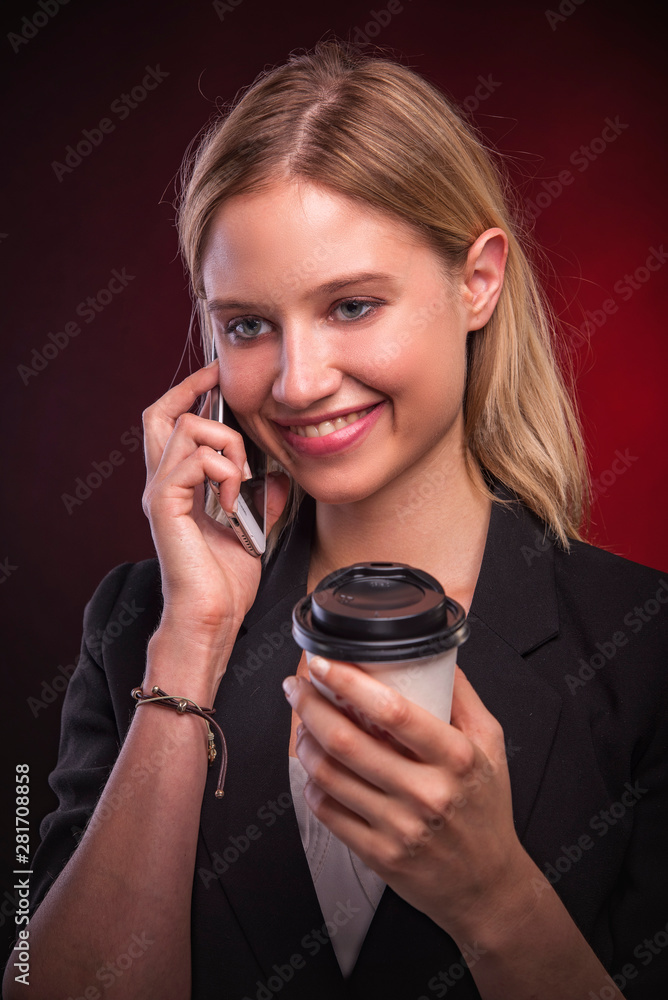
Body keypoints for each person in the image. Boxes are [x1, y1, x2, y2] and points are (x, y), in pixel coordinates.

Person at [4, 38, 667, 1000]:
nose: (299, 383)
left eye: (352, 305)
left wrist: (496, 898)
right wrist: (191, 643)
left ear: (478, 281)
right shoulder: (137, 626)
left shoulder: (645, 650)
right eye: (247, 326)